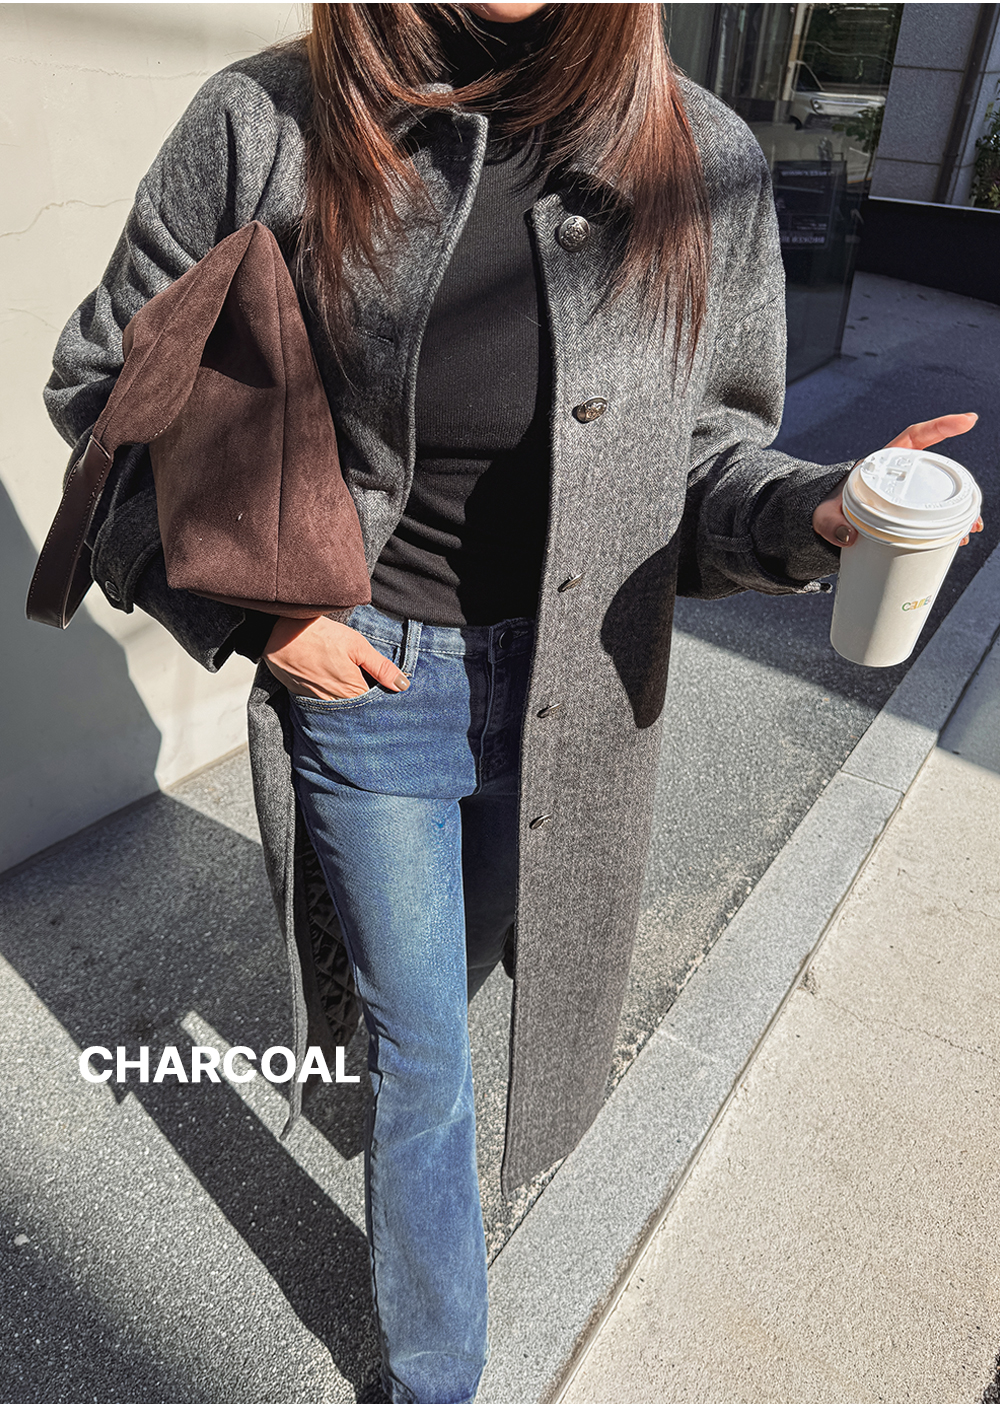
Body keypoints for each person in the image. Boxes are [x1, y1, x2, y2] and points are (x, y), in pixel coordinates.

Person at [44, 5, 981, 1401]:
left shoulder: (699, 156)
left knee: (473, 956)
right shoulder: (268, 123)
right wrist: (259, 614)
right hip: (368, 677)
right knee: (424, 1048)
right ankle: (441, 1373)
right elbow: (107, 388)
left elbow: (704, 463)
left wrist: (825, 513)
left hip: (580, 692)